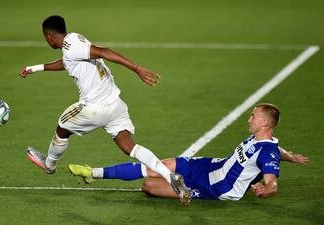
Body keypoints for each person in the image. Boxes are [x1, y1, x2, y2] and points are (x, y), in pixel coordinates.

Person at [19, 15, 191, 204]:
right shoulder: (74, 41)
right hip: (115, 105)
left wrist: (136, 68)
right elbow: (67, 62)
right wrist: (35, 68)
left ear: (49, 37)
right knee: (130, 147)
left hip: (94, 107)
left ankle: (49, 165)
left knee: (62, 127)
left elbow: (104, 51)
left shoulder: (72, 46)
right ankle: (170, 177)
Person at [69, 103, 310, 201]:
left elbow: (272, 180)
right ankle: (93, 173)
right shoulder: (264, 141)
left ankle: (186, 190)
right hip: (209, 166)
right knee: (158, 167)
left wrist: (265, 189)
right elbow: (276, 150)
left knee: (148, 186)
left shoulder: (266, 150)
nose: (249, 119)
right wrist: (292, 157)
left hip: (217, 187)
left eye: (253, 116)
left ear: (265, 124)